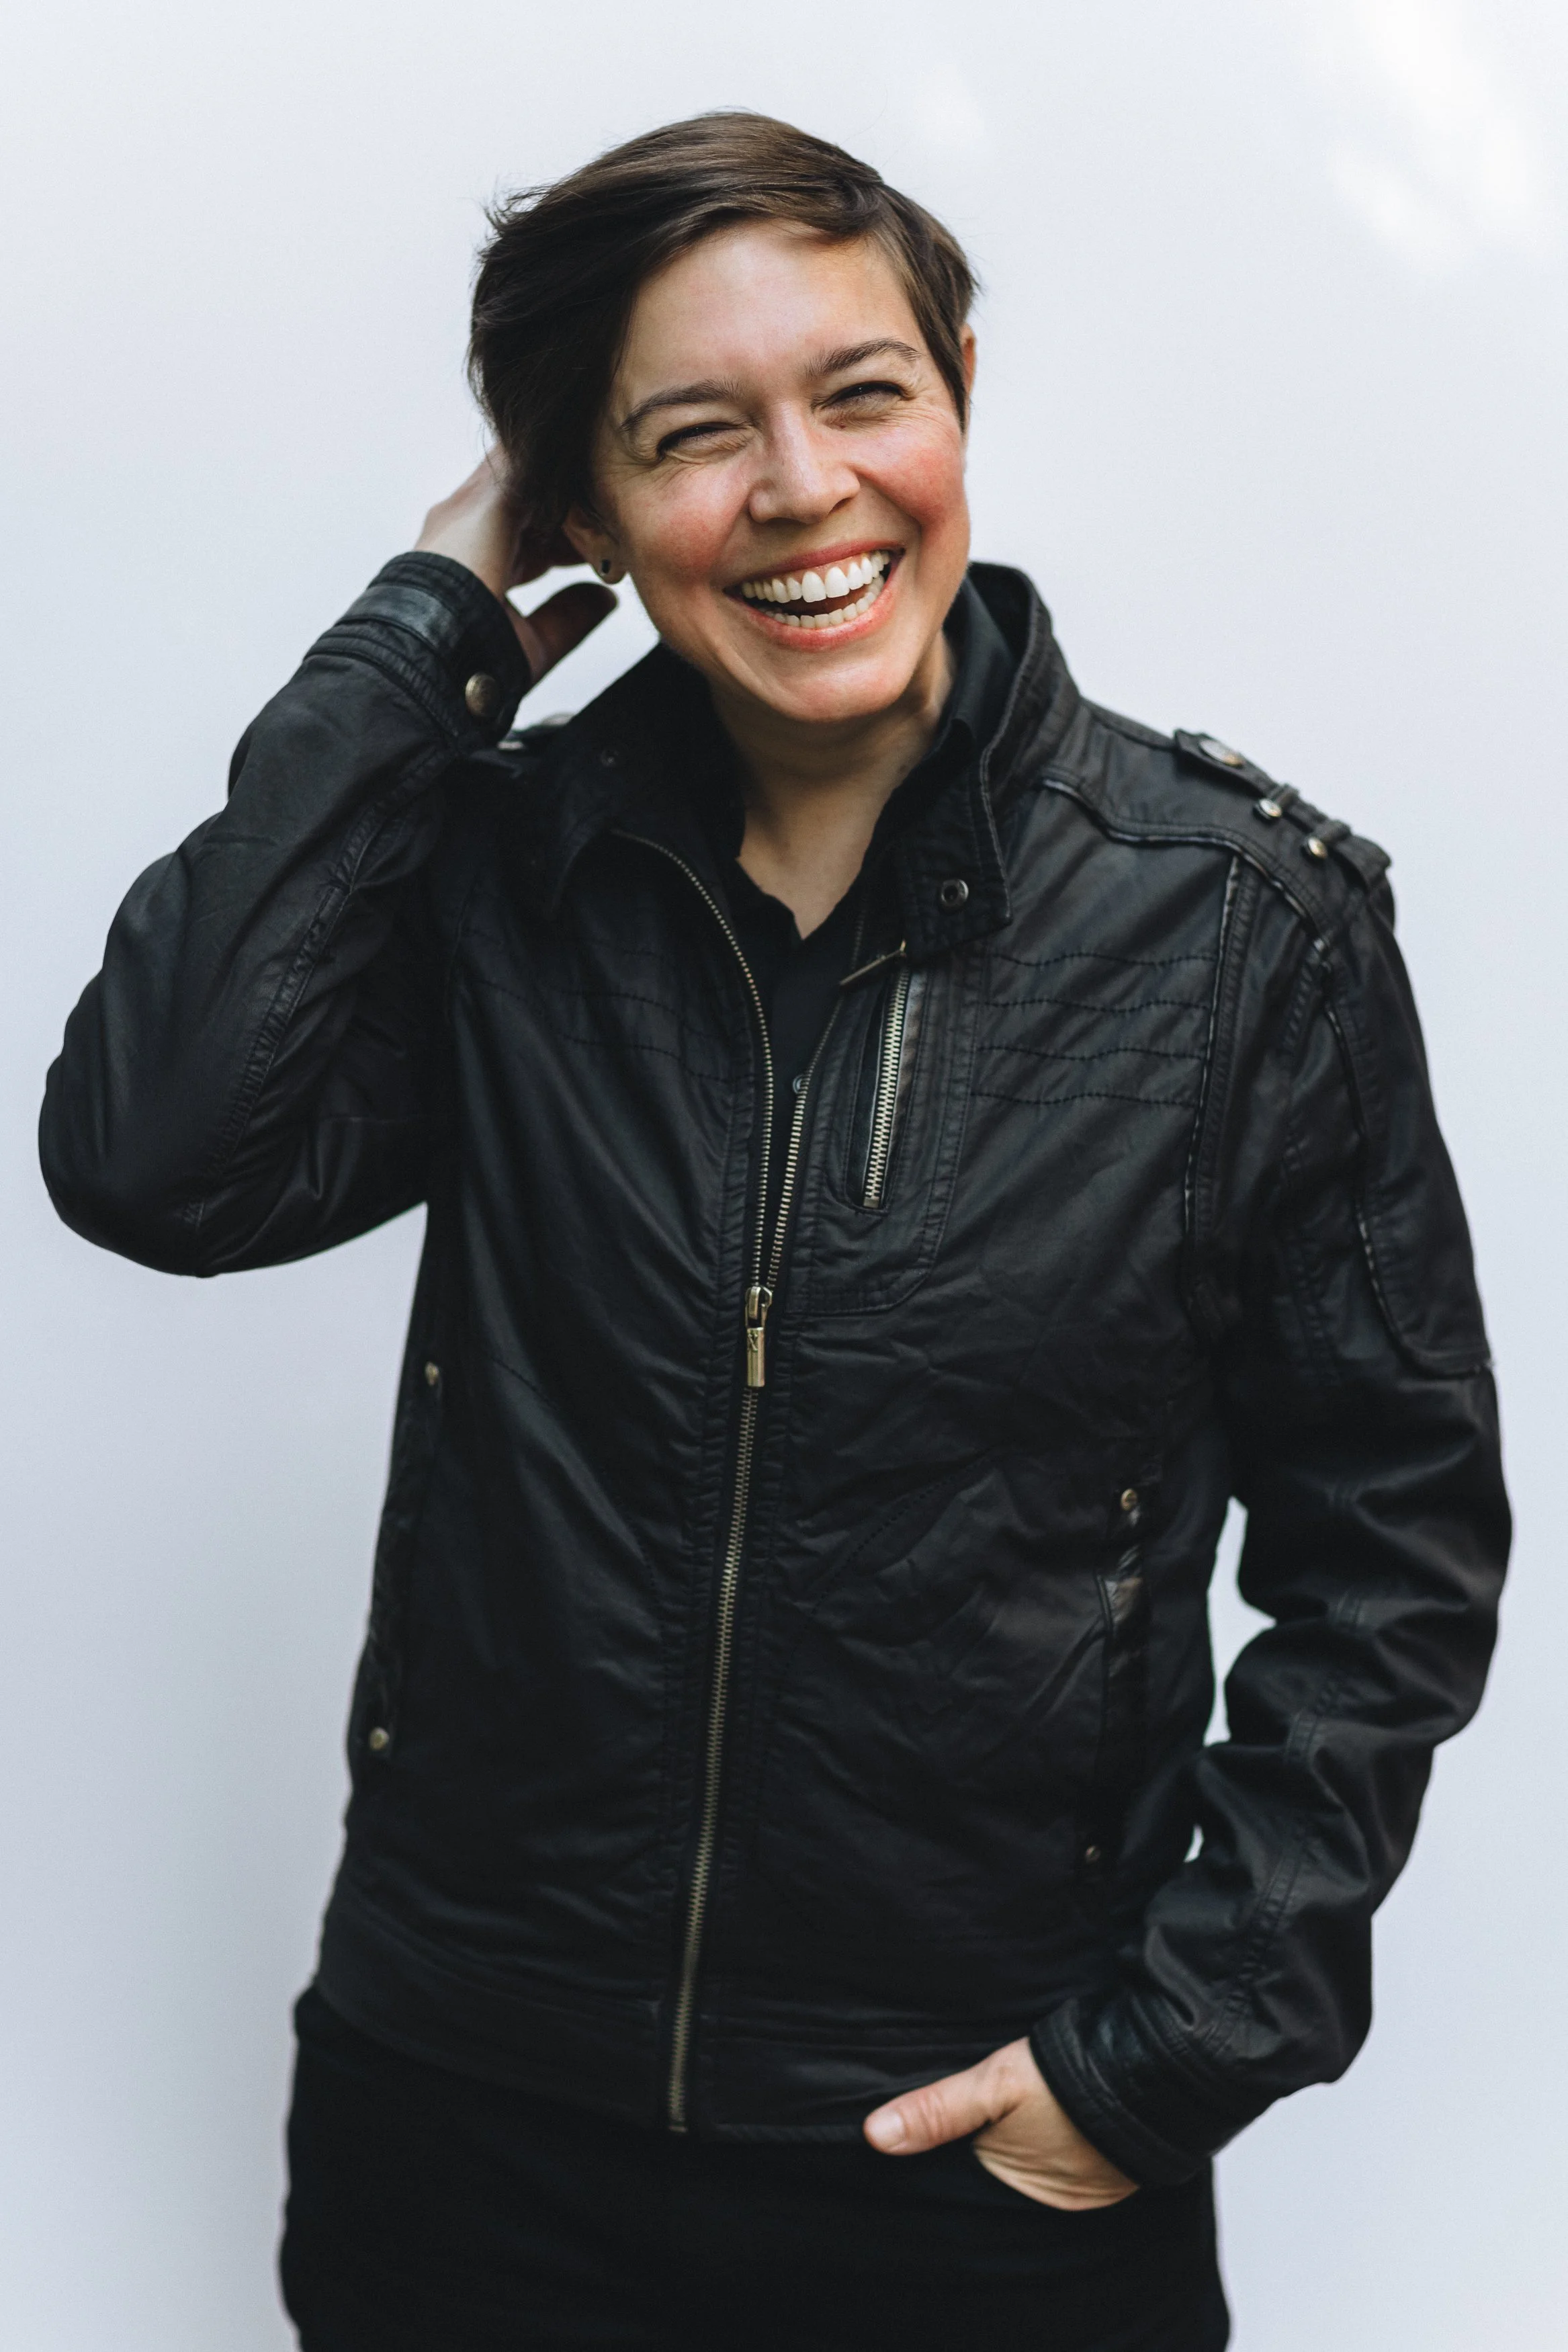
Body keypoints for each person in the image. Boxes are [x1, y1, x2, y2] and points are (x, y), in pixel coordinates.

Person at [39, 112, 1509, 2352]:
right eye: (690, 436)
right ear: (593, 514)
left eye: (860, 394)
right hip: (467, 2135)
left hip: (970, 2158)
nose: (803, 489)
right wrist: (426, 625)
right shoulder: (499, 879)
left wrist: (1176, 2046)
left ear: (960, 401)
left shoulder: (1237, 934)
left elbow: (1393, 1546)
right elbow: (152, 1152)